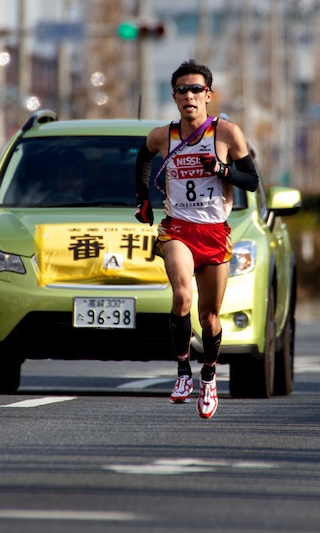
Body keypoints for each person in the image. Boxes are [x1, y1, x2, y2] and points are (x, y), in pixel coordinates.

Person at [133, 59, 259, 419]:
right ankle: (183, 372)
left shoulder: (227, 133)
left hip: (214, 231)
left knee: (210, 318)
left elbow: (252, 180)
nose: (189, 95)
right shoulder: (163, 136)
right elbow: (142, 158)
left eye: (196, 89)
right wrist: (142, 197)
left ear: (208, 95)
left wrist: (221, 169)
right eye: (181, 89)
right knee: (182, 295)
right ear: (174, 97)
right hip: (178, 229)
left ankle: (209, 377)